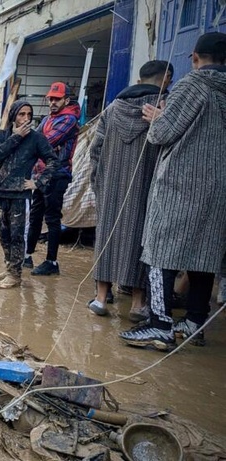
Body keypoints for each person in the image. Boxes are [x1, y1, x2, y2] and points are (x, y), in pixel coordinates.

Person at [120, 32, 226, 350]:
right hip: (217, 186)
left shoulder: (192, 85)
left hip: (181, 184)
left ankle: (160, 324)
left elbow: (162, 134)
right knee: (203, 255)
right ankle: (195, 321)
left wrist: (158, 117)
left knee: (159, 252)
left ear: (194, 58)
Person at [88, 61, 173, 319]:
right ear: (166, 78)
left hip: (111, 185)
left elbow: (95, 149)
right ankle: (137, 304)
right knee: (141, 239)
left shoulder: (113, 109)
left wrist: (99, 183)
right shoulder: (163, 109)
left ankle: (101, 299)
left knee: (106, 237)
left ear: (139, 80)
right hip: (147, 189)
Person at [0, 100, 59, 288]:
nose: (26, 118)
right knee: (3, 234)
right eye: (22, 114)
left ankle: (15, 275)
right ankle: (8, 267)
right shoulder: (3, 135)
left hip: (20, 194)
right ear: (13, 116)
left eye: (29, 114)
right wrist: (16, 137)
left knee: (17, 235)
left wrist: (37, 182)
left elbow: (53, 161)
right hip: (1, 191)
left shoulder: (36, 138)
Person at [24, 81, 81, 276]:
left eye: (57, 99)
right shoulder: (48, 119)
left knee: (52, 218)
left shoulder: (69, 120)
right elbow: (37, 140)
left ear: (66, 99)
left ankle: (52, 262)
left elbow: (46, 142)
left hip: (57, 175)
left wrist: (37, 143)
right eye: (51, 99)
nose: (52, 103)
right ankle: (27, 256)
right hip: (40, 175)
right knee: (35, 216)